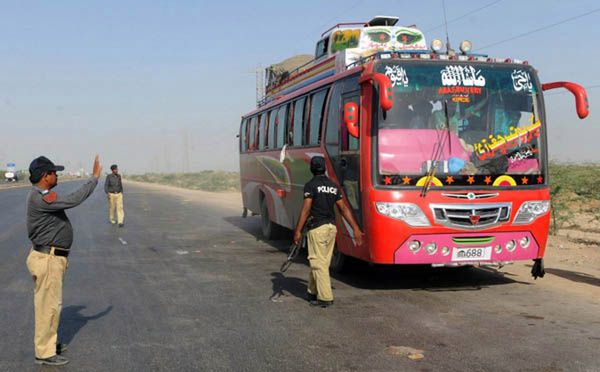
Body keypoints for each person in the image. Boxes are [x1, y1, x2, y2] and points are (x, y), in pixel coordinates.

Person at [25, 155, 102, 366]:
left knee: (51, 305)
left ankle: (49, 344)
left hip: (51, 258)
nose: (56, 175)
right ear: (44, 176)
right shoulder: (41, 197)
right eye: (53, 172)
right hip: (47, 259)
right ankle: (44, 352)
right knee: (48, 306)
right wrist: (94, 179)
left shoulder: (42, 194)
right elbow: (73, 199)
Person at [293, 156, 363, 308]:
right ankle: (312, 291)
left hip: (317, 228)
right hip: (331, 229)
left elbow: (306, 209)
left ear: (311, 169)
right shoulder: (333, 186)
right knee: (321, 262)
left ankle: (325, 298)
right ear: (324, 168)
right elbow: (343, 208)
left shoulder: (311, 185)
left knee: (318, 263)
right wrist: (356, 228)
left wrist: (298, 230)